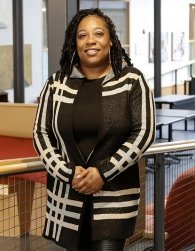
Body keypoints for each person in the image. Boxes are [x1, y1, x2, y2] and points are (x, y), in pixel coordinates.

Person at [33, 8, 155, 251]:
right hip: (68, 194)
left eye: (98, 33)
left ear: (110, 40)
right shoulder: (57, 83)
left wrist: (103, 172)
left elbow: (143, 133)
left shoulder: (131, 81)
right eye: (82, 35)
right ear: (74, 42)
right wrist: (68, 173)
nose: (90, 41)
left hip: (114, 196)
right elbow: (41, 133)